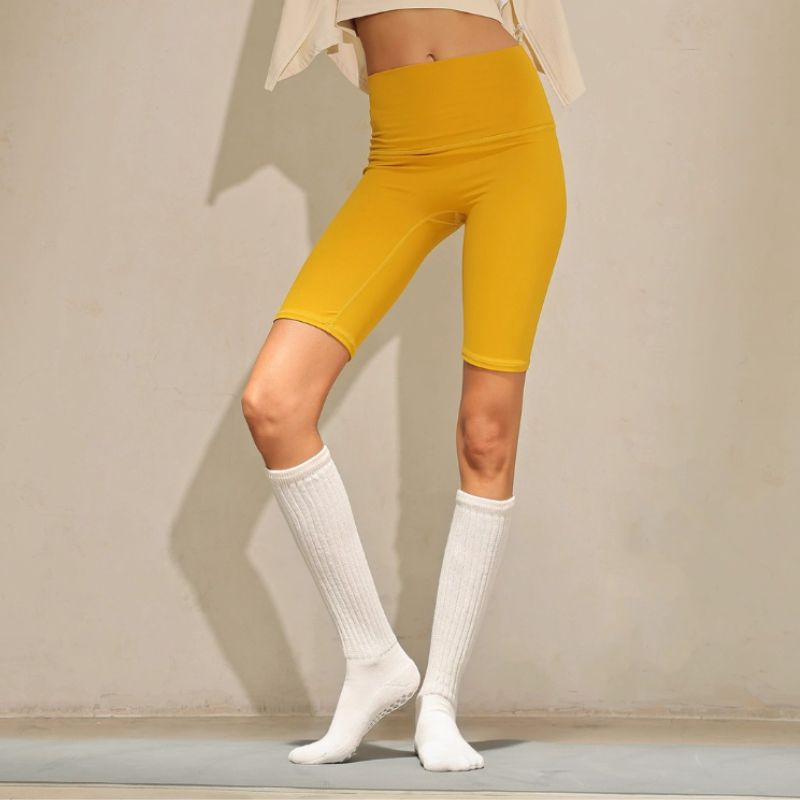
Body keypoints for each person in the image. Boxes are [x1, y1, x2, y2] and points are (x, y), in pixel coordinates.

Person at [243, 1, 584, 772]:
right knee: (274, 402)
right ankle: (373, 659)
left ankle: (440, 702)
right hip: (400, 154)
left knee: (486, 435)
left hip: (511, 142)